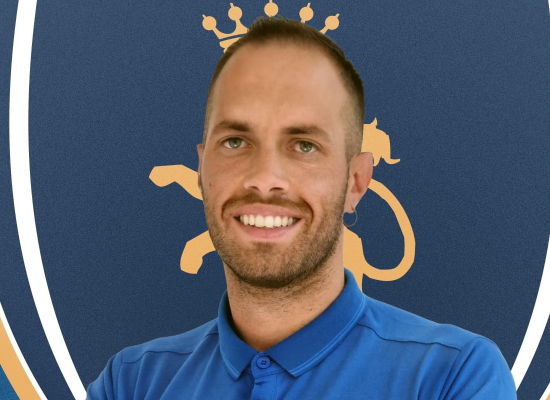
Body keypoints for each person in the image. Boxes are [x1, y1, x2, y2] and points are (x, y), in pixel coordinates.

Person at [86, 16, 517, 399]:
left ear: (356, 181)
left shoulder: (451, 377)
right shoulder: (131, 383)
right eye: (235, 141)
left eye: (304, 145)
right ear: (201, 170)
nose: (264, 177)